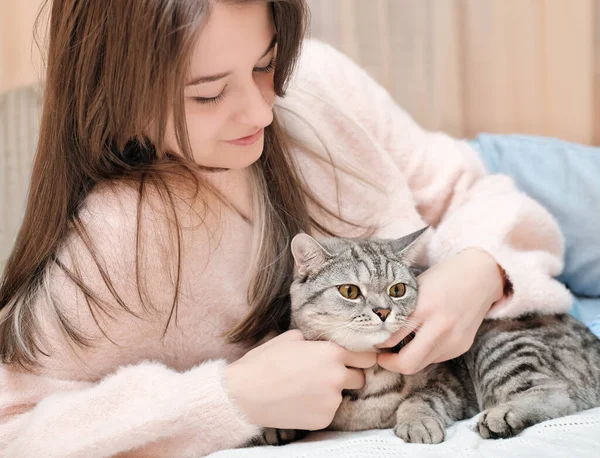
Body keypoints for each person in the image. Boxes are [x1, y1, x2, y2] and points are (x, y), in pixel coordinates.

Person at [0, 0, 576, 456]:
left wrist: (481, 269)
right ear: (116, 95)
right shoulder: (114, 237)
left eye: (265, 63)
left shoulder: (320, 83)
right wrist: (227, 399)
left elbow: (471, 186)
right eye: (207, 93)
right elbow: (16, 429)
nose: (261, 112)